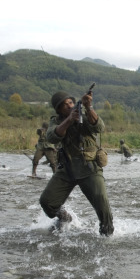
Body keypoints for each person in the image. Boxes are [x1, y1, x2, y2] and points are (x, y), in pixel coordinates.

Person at [39, 90, 114, 236]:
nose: (69, 106)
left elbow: (99, 128)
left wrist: (89, 107)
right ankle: (65, 218)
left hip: (89, 167)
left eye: (70, 103)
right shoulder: (56, 121)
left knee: (102, 204)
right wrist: (69, 120)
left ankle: (107, 235)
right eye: (64, 105)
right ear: (59, 110)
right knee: (47, 202)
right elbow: (52, 137)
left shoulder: (84, 117)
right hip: (67, 169)